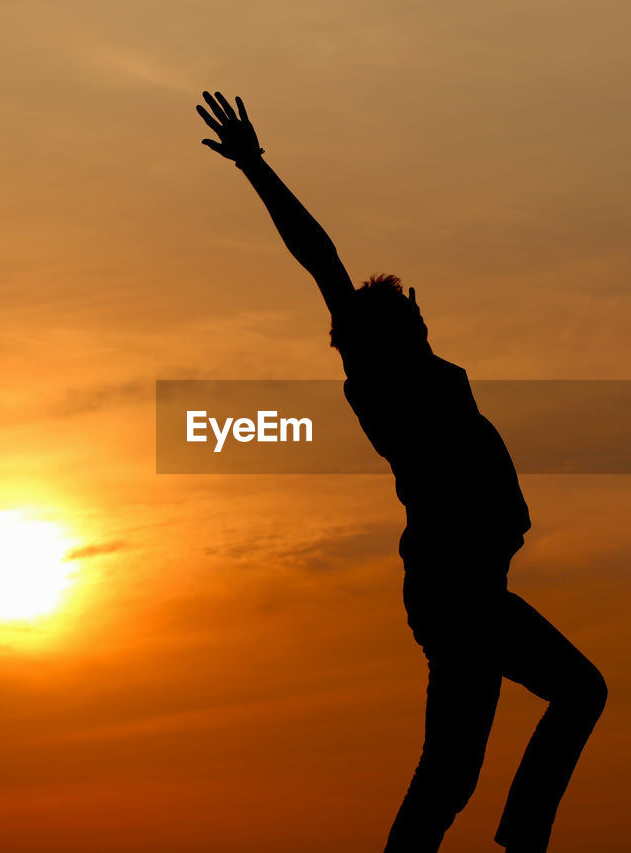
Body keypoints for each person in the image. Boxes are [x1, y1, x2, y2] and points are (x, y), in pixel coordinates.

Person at [197, 90, 607, 853]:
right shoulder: (386, 380)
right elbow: (319, 257)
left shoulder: (417, 366)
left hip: (472, 588)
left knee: (452, 774)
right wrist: (257, 166)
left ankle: (517, 836)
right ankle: (524, 839)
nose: (424, 321)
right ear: (378, 336)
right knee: (574, 694)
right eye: (412, 319)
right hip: (458, 594)